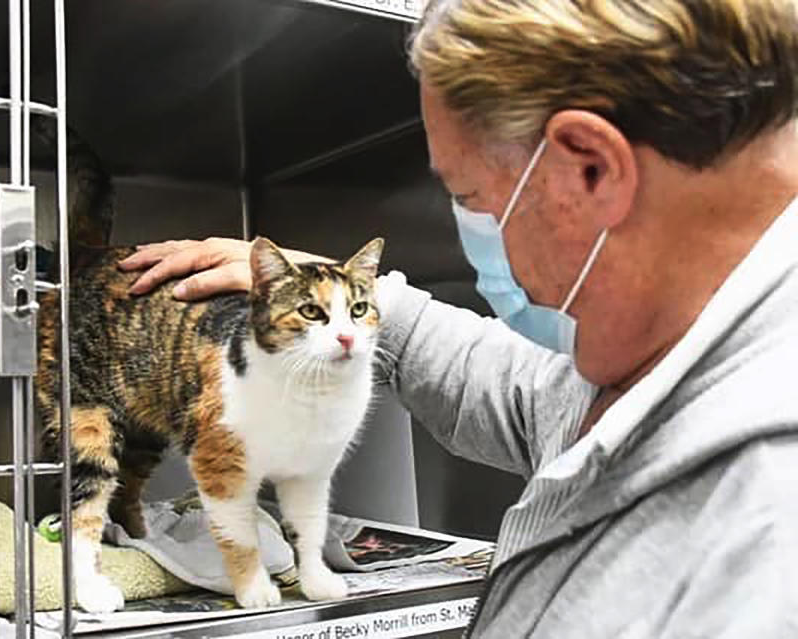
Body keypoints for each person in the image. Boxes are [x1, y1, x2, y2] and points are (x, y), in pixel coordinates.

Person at [118, 1, 798, 636]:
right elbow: (519, 386)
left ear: (589, 170)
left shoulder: (763, 527)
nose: (469, 225)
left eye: (466, 194)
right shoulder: (661, 341)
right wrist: (334, 292)